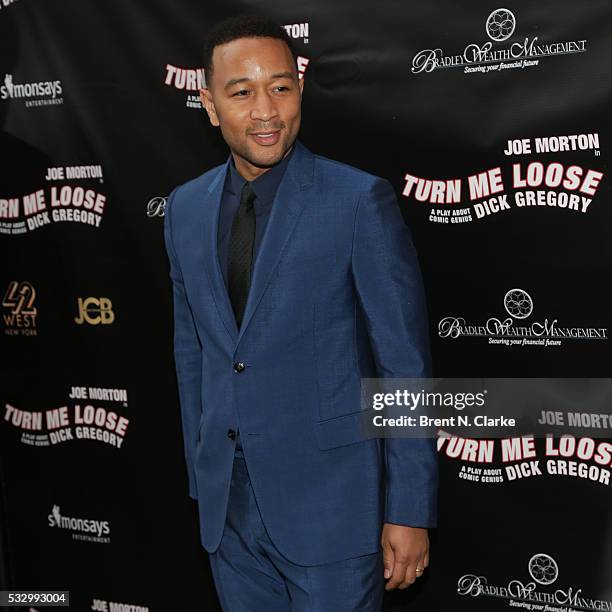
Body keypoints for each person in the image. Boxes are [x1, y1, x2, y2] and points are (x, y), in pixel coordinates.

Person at [163, 13, 438, 611]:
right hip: (227, 513)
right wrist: (201, 472)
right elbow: (194, 353)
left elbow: (403, 365)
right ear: (210, 105)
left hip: (332, 512)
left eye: (281, 87)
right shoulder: (184, 208)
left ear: (300, 90)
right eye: (242, 93)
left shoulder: (357, 200)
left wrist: (409, 509)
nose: (267, 110)